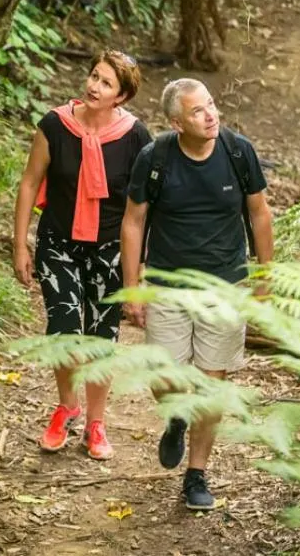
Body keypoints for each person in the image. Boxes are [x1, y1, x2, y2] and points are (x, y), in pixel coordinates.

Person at [118, 78, 274, 510]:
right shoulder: (156, 158)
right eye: (198, 112)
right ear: (176, 122)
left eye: (211, 104)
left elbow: (259, 213)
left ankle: (196, 475)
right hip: (168, 283)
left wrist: (265, 277)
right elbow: (133, 222)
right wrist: (132, 289)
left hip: (225, 284)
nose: (211, 115)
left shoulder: (238, 152)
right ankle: (175, 417)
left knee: (211, 382)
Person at [13, 50, 153, 460]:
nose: (94, 86)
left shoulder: (135, 137)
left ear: (121, 97)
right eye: (94, 76)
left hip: (110, 247)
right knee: (62, 328)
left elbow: (140, 210)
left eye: (106, 83)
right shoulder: (55, 126)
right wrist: (20, 243)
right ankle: (66, 406)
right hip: (58, 241)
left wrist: (136, 274)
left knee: (101, 337)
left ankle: (95, 422)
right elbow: (29, 183)